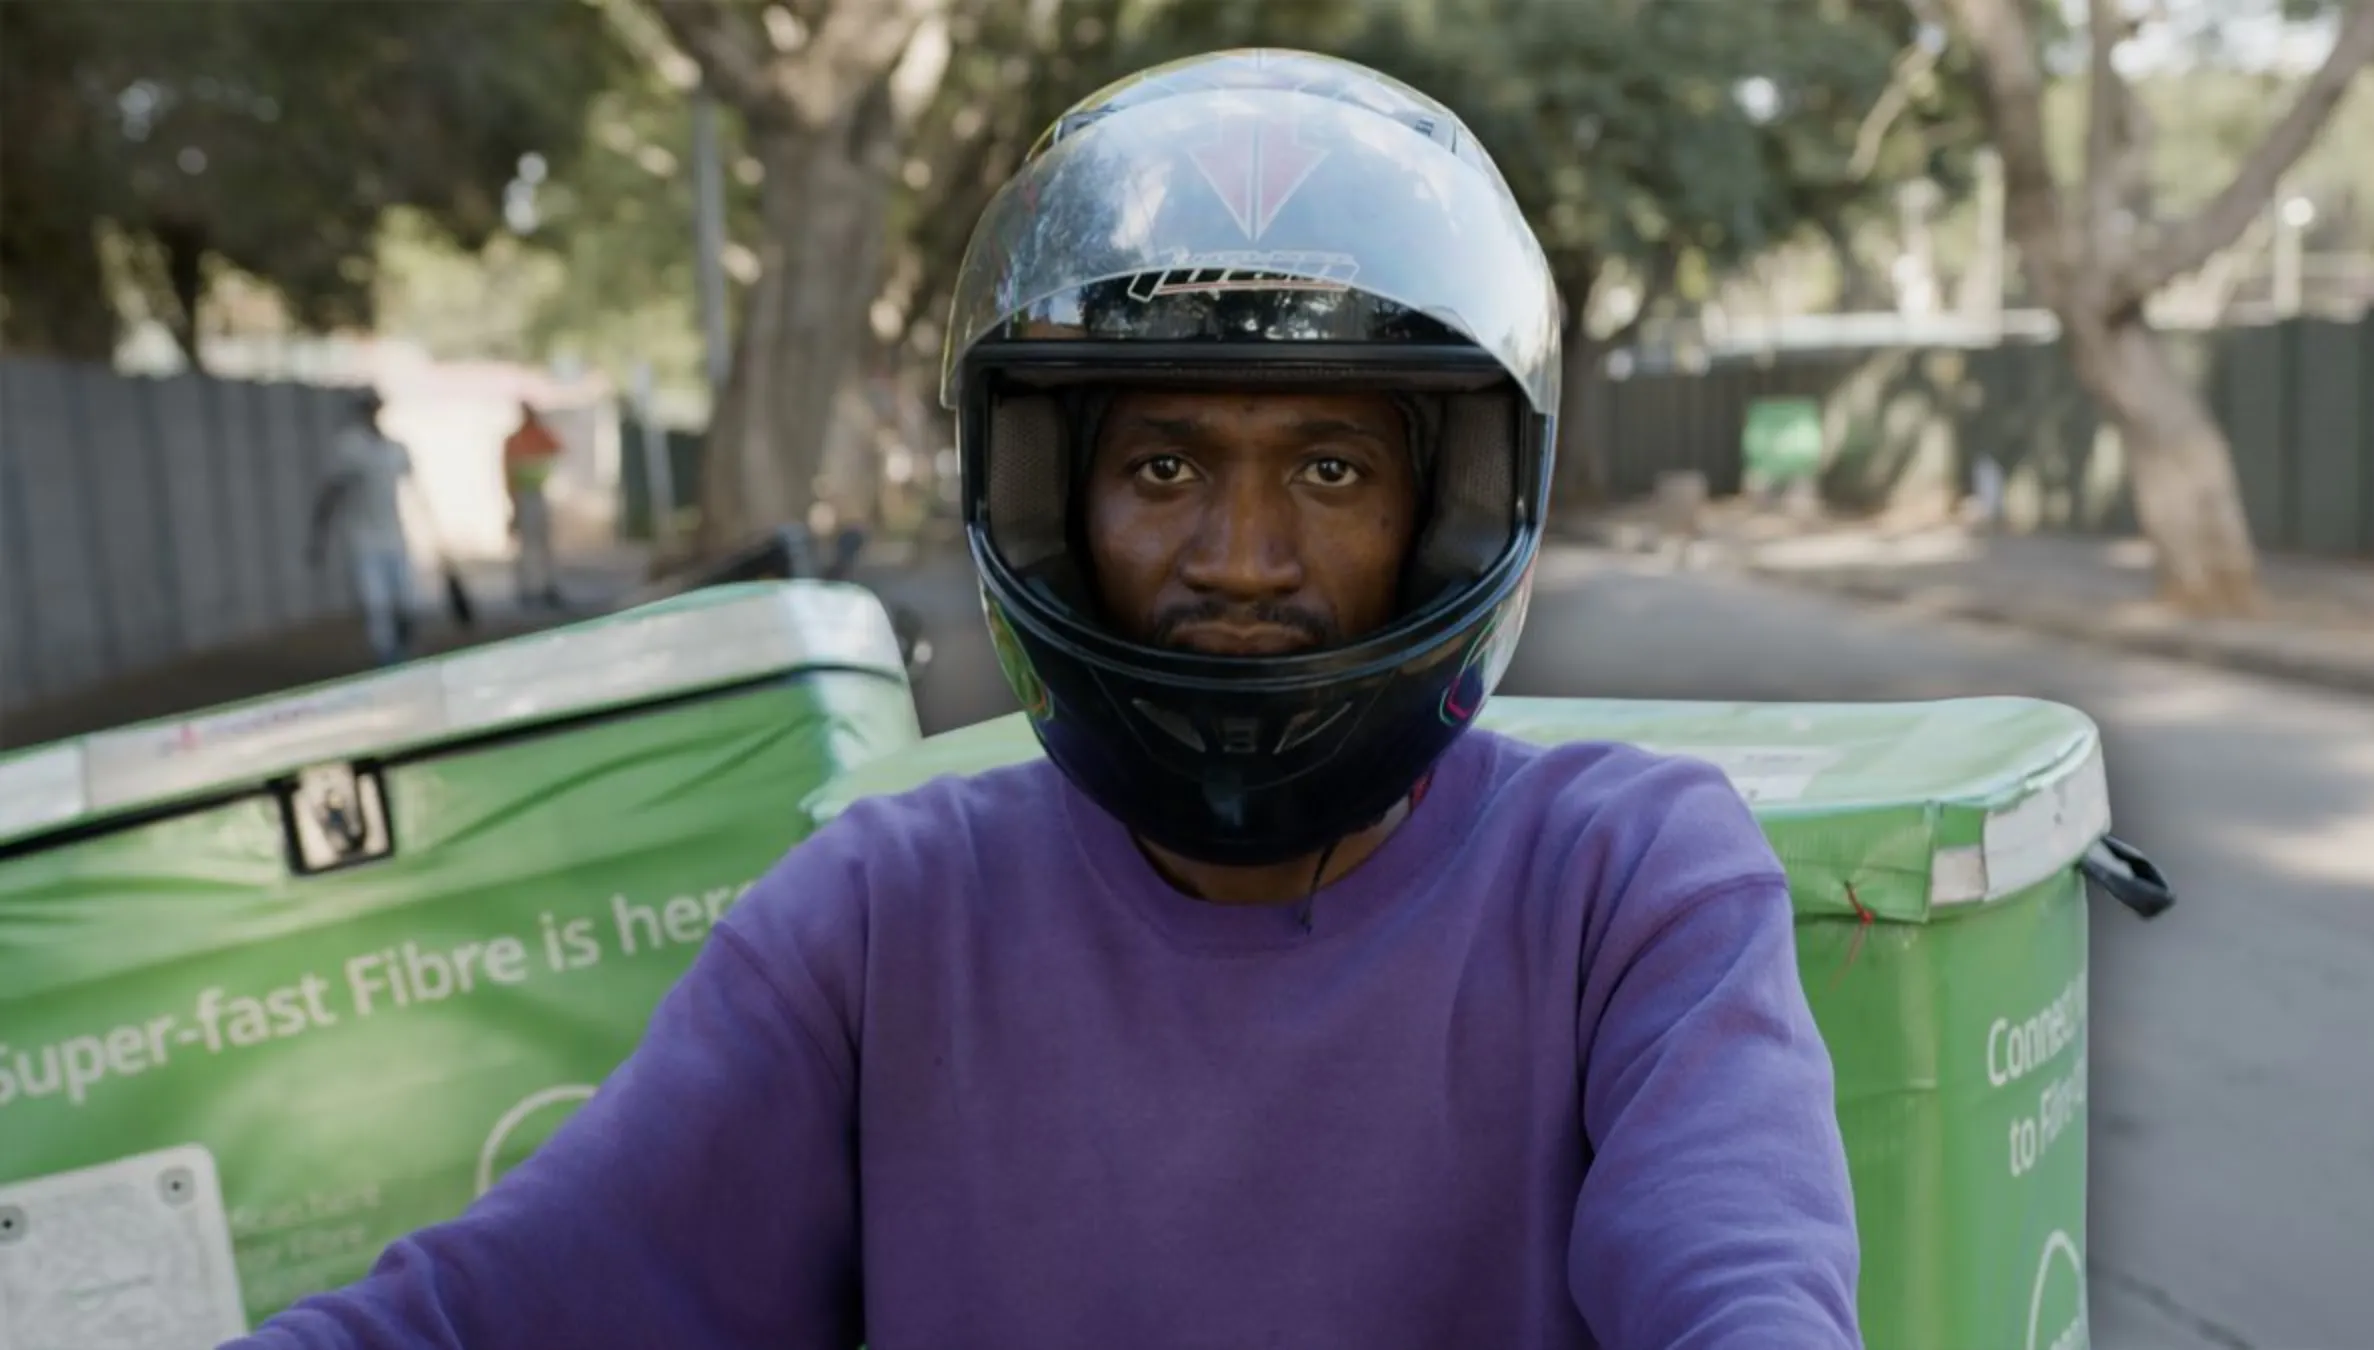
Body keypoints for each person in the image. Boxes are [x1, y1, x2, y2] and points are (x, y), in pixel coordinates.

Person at [227, 50, 1861, 1350]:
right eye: (1162, 464)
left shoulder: (1624, 882)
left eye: (1332, 467)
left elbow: (1740, 1281)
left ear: (1447, 513)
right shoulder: (881, 921)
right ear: (1047, 505)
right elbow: (507, 1302)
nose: (1238, 556)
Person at [308, 390, 419, 666]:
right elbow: (331, 494)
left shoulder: (395, 449)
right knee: (377, 604)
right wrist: (318, 536)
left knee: (407, 601)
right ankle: (388, 658)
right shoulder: (350, 448)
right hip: (363, 539)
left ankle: (404, 651)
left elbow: (415, 492)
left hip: (394, 536)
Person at [501, 400, 566, 609]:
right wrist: (513, 503)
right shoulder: (515, 440)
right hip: (523, 496)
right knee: (526, 546)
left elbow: (559, 448)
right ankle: (528, 589)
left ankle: (547, 586)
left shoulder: (540, 435)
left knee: (544, 544)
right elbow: (508, 473)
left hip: (538, 493)